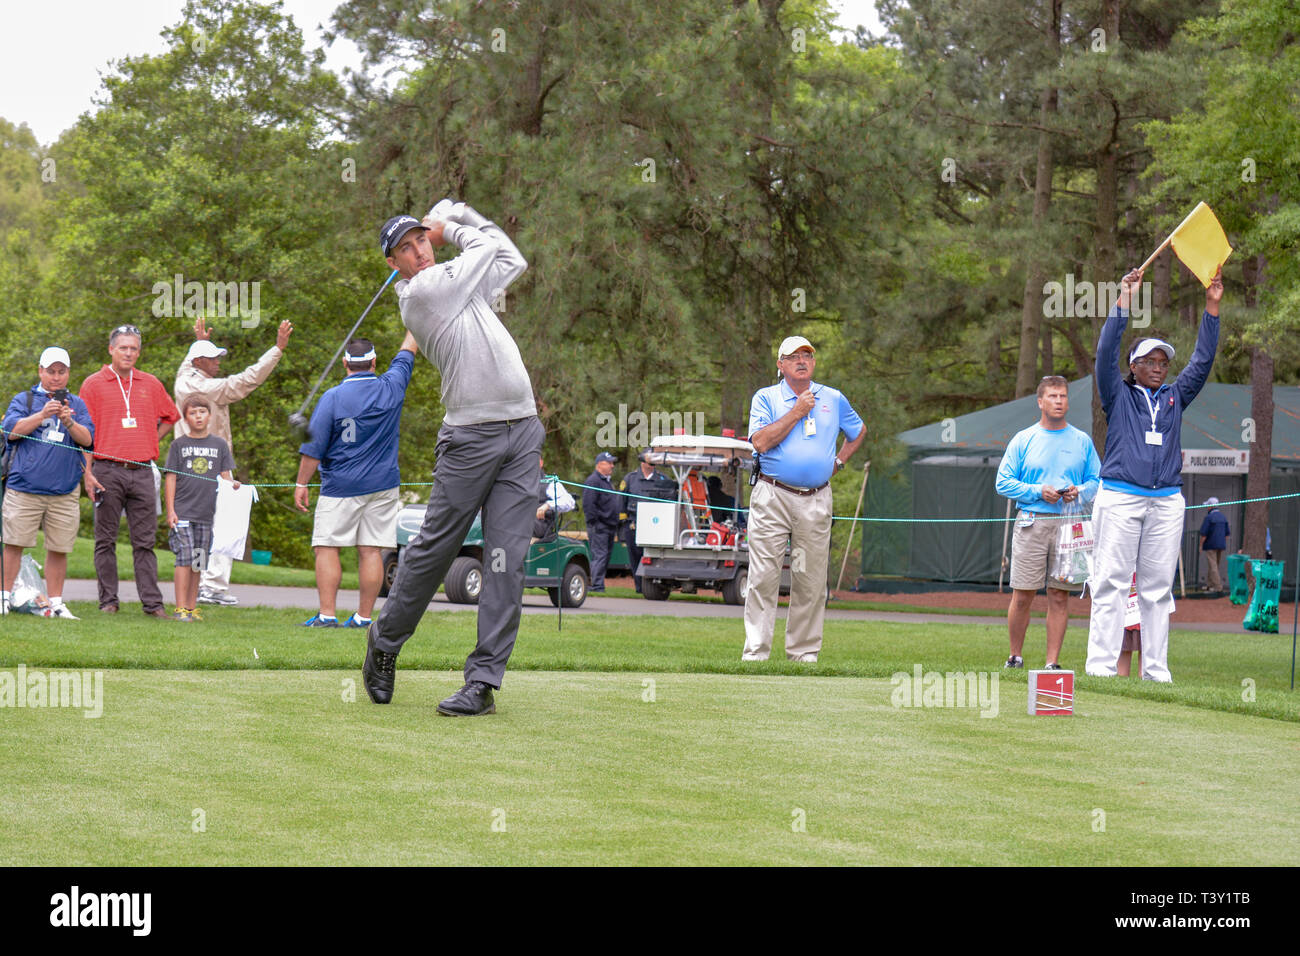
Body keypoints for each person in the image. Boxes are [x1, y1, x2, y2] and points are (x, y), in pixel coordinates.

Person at [362, 202, 544, 717]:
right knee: (434, 551)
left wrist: (459, 213)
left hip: (522, 432)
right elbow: (483, 247)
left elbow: (510, 259)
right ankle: (386, 639)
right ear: (393, 264)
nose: (419, 250)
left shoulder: (462, 289)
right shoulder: (422, 293)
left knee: (506, 561)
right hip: (469, 439)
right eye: (407, 247)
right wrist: (452, 224)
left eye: (422, 240)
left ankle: (482, 683)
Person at [1085, 266, 1223, 682]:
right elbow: (1105, 352)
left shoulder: (1175, 398)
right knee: (1110, 582)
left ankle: (1156, 672)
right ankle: (1101, 668)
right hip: (1121, 496)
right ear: (1134, 365)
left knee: (1158, 589)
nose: (1160, 367)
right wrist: (1124, 300)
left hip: (1166, 501)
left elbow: (1201, 362)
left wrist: (1212, 308)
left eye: (1164, 362)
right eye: (1151, 361)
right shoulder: (1117, 392)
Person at [742, 335, 865, 662]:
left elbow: (858, 431)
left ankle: (803, 654)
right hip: (773, 494)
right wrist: (797, 411)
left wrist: (837, 463)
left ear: (813, 363)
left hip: (815, 498)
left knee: (810, 580)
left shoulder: (833, 398)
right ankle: (756, 654)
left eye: (807, 356)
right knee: (763, 577)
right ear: (780, 365)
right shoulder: (766, 397)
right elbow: (760, 442)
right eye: (793, 356)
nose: (801, 361)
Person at [295, 336, 415, 630]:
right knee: (371, 550)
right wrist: (416, 296)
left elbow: (313, 448)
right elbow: (408, 348)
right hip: (384, 485)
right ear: (374, 363)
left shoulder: (333, 397)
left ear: (345, 363)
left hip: (341, 486)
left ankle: (327, 615)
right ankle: (363, 618)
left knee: (326, 547)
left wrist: (301, 483)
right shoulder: (392, 386)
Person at [175, 316, 293, 607]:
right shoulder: (203, 388)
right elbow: (245, 381)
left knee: (221, 525)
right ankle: (206, 585)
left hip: (215, 464)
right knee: (207, 528)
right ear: (200, 361)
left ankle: (210, 585)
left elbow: (189, 362)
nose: (218, 363)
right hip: (200, 468)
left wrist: (201, 341)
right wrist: (276, 350)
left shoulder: (189, 373)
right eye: (213, 359)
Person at [994, 375, 1100, 669]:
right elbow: (1002, 482)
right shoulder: (1024, 439)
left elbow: (1097, 480)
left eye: (1063, 396)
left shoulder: (1081, 441)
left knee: (1059, 594)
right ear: (1040, 402)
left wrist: (1080, 491)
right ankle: (1015, 655)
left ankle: (1052, 663)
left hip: (1070, 525)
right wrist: (1037, 491)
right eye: (1052, 396)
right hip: (1032, 522)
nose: (1058, 401)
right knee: (1024, 593)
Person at [80, 325, 181, 618]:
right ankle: (108, 601)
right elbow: (84, 433)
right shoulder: (93, 384)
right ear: (111, 349)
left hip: (142, 471)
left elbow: (170, 416)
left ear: (139, 351)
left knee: (145, 542)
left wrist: (151, 440)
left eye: (133, 348)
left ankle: (152, 603)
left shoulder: (150, 383)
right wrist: (88, 472)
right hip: (107, 470)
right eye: (123, 347)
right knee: (105, 540)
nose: (128, 353)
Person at [1, 347, 94, 618]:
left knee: (59, 547)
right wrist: (42, 415)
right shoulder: (25, 399)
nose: (56, 377)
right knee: (14, 544)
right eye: (50, 371)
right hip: (24, 487)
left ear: (68, 374)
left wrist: (68, 421)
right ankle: (3, 598)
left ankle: (56, 603)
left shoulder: (76, 404)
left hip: (64, 489)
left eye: (61, 371)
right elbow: (12, 432)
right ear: (40, 371)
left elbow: (87, 439)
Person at [164, 396, 238, 621]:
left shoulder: (219, 445)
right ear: (185, 418)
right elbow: (171, 478)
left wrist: (234, 486)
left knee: (198, 560)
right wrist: (170, 510)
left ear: (209, 415)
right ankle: (179, 608)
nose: (198, 416)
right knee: (184, 558)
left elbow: (226, 477)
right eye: (193, 413)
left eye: (202, 412)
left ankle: (190, 606)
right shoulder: (179, 445)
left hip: (207, 514)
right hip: (183, 511)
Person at [619, 450, 678, 593]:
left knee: (652, 557)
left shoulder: (663, 480)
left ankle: (653, 588)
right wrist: (622, 527)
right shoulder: (630, 479)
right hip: (633, 524)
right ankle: (639, 588)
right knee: (635, 557)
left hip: (655, 526)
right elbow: (621, 503)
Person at [582, 451, 620, 592]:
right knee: (600, 555)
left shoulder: (607, 482)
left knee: (604, 555)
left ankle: (598, 583)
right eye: (609, 463)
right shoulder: (593, 481)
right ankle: (595, 585)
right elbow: (588, 505)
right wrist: (596, 522)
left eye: (612, 463)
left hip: (609, 525)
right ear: (599, 465)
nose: (612, 466)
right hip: (600, 526)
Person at [534, 455, 575, 542]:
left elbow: (569, 501)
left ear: (541, 463)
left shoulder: (549, 483)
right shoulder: (518, 481)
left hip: (539, 526)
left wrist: (548, 505)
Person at [1198, 497, 1230, 592]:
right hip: (1221, 545)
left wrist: (1200, 545)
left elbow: (1204, 534)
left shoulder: (1209, 518)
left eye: (1208, 505)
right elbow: (1227, 534)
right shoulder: (1223, 517)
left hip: (1210, 545)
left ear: (1211, 506)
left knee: (1213, 566)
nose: (1207, 507)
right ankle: (1209, 584)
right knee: (1214, 565)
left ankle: (1218, 587)